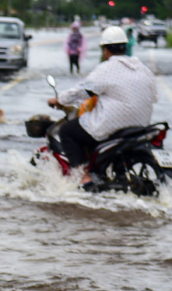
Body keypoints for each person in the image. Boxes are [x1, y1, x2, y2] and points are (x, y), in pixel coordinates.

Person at [47, 26, 157, 191]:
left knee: (68, 131)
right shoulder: (142, 68)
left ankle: (83, 178)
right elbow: (154, 96)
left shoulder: (107, 68)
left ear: (105, 50)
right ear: (125, 46)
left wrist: (60, 99)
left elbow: (83, 90)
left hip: (114, 124)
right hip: (140, 125)